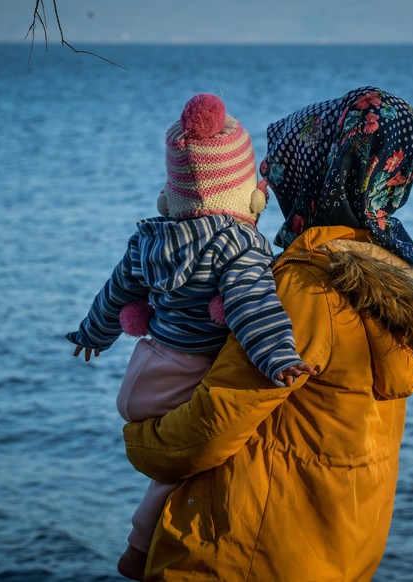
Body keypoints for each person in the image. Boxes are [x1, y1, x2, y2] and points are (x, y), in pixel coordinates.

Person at [123, 86, 413, 581]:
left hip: (242, 556)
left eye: (291, 161)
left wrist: (139, 441)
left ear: (326, 169)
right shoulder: (395, 274)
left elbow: (210, 429)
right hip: (334, 553)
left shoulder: (305, 284)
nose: (273, 176)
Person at [65, 94, 315, 579]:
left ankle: (144, 545)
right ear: (248, 194)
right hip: (187, 374)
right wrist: (280, 357)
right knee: (188, 469)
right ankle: (139, 548)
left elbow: (117, 291)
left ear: (171, 194)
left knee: (179, 466)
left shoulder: (149, 238)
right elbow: (252, 306)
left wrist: (92, 332)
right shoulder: (238, 247)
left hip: (146, 368)